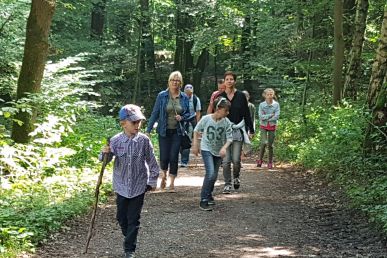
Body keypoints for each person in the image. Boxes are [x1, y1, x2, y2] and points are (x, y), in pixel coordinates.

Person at [100, 104, 159, 258]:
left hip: (139, 185)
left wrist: (152, 180)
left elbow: (152, 162)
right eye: (134, 122)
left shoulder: (144, 141)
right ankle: (129, 235)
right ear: (123, 123)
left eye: (139, 122)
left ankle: (129, 249)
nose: (137, 125)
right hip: (121, 186)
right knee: (121, 217)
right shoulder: (115, 141)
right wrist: (104, 154)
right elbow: (105, 161)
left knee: (134, 218)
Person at [146, 71, 190, 192]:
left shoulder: (184, 97)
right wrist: (148, 129)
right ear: (169, 81)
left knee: (174, 156)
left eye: (177, 80)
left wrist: (182, 117)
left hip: (178, 131)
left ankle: (172, 183)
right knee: (164, 156)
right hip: (163, 131)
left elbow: (188, 114)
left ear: (180, 83)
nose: (174, 82)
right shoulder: (162, 96)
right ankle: (164, 176)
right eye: (172, 80)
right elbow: (155, 112)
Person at [192, 97, 233, 211]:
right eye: (226, 110)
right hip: (206, 148)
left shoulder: (226, 122)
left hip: (218, 151)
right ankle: (203, 199)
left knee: (214, 175)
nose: (228, 113)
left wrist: (224, 148)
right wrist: (195, 144)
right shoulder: (206, 119)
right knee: (210, 173)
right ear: (218, 109)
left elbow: (230, 138)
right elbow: (196, 130)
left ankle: (209, 194)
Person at [219, 71, 255, 194]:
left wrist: (251, 129)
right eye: (227, 79)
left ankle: (236, 177)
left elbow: (246, 114)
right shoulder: (221, 96)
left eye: (231, 79)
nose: (229, 81)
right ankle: (227, 183)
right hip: (224, 131)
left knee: (236, 160)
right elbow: (216, 114)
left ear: (235, 81)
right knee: (225, 160)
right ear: (224, 81)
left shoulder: (240, 96)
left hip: (237, 130)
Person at [256, 88, 280, 169]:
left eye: (271, 94)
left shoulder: (276, 104)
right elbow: (261, 117)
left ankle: (270, 162)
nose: (269, 96)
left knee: (270, 145)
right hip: (263, 126)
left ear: (273, 95)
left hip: (272, 126)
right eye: (268, 94)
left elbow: (277, 116)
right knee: (263, 143)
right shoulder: (261, 105)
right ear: (264, 95)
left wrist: (267, 117)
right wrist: (270, 115)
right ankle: (260, 160)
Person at [180, 84, 201, 167]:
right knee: (179, 140)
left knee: (187, 140)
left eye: (190, 90)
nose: (188, 93)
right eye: (187, 90)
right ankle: (182, 156)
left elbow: (198, 113)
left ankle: (184, 161)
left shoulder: (196, 99)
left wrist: (199, 126)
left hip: (191, 121)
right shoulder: (180, 98)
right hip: (180, 121)